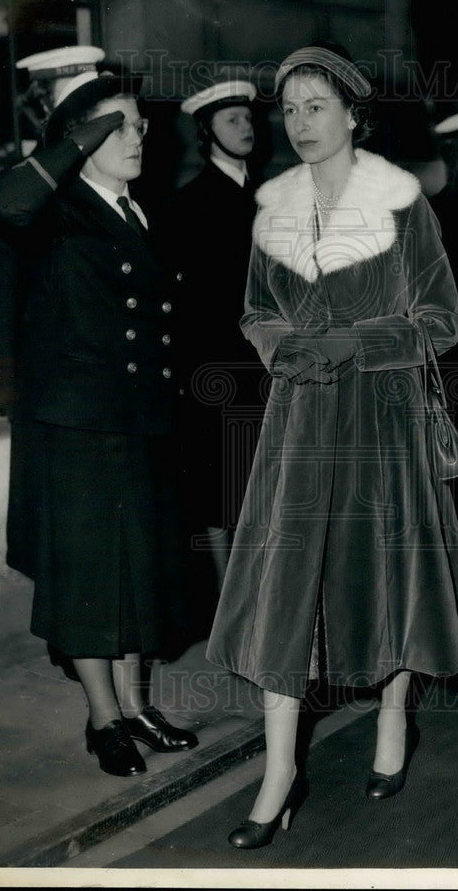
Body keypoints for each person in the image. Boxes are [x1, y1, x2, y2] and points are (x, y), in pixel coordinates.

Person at [205, 42, 458, 849]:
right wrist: (277, 345)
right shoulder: (275, 210)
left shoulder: (402, 206)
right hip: (298, 425)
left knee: (386, 578)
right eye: (288, 109)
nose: (299, 123)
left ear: (355, 115)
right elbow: (256, 308)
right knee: (283, 592)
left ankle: (394, 716)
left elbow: (443, 320)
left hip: (383, 420)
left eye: (316, 106)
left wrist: (353, 346)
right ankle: (280, 771)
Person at [0, 47, 198, 777]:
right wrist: (78, 136)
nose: (140, 138)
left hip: (137, 417)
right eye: (122, 127)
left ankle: (136, 704)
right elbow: (3, 202)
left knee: (139, 569)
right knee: (90, 577)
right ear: (85, 135)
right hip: (75, 421)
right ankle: (102, 716)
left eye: (139, 125)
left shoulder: (136, 206)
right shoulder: (52, 210)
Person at [165, 79, 265, 627]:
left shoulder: (263, 196)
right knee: (220, 494)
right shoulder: (192, 204)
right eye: (231, 121)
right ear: (206, 133)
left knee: (256, 489)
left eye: (247, 118)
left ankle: (258, 601)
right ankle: (232, 609)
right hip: (218, 372)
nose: (245, 127)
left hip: (264, 368)